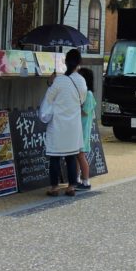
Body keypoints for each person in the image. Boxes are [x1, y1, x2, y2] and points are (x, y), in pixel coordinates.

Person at [43, 49, 87, 197]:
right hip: (73, 124)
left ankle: (54, 187)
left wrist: (50, 83)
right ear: (79, 63)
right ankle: (71, 187)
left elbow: (48, 100)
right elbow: (83, 100)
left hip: (58, 124)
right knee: (71, 155)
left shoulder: (59, 81)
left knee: (54, 156)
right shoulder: (81, 81)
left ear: (65, 62)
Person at [74, 67, 97, 191]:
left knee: (80, 155)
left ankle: (86, 181)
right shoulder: (85, 93)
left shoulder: (88, 94)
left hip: (83, 129)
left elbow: (84, 112)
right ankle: (77, 179)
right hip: (79, 128)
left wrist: (73, 107)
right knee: (77, 155)